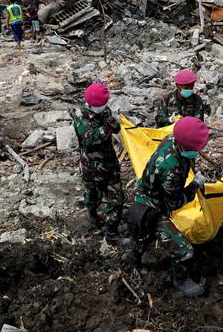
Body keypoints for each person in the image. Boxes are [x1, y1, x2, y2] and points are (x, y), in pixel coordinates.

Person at [123, 117, 209, 297]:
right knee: (185, 251)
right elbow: (175, 203)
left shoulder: (171, 140)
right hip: (152, 208)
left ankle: (133, 256)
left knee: (144, 235)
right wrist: (194, 185)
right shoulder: (172, 169)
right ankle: (181, 280)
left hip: (148, 199)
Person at [73, 84, 129, 245]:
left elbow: (116, 128)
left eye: (104, 105)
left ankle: (112, 234)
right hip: (91, 167)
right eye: (99, 106)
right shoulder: (80, 117)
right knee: (93, 197)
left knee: (117, 199)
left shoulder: (104, 110)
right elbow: (91, 139)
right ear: (90, 104)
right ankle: (92, 214)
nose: (102, 108)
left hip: (109, 164)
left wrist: (116, 122)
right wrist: (108, 124)